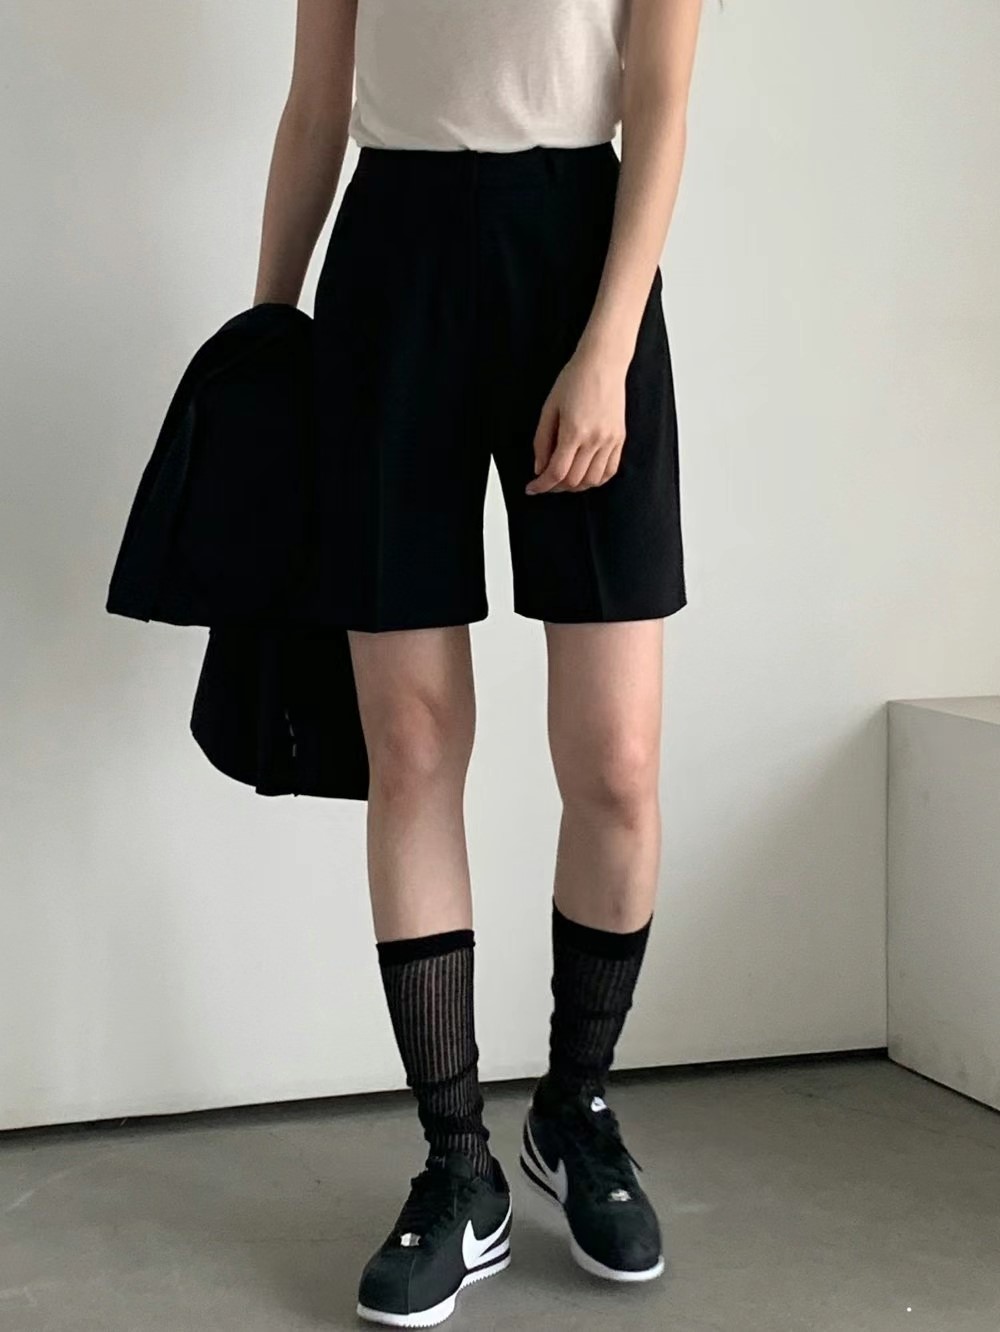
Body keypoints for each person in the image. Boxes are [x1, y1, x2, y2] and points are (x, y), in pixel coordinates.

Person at [253, 1, 703, 1324]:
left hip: (583, 261)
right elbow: (316, 107)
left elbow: (660, 102)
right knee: (410, 743)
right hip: (392, 265)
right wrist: (268, 335)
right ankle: (458, 1163)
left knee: (616, 761)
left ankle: (577, 1108)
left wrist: (609, 345)